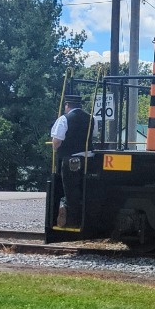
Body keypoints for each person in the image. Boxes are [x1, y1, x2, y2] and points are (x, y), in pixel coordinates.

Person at [50, 95, 94, 227]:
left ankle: (72, 221)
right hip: (89, 158)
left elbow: (57, 141)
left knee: (71, 190)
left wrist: (56, 149)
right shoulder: (92, 118)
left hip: (71, 160)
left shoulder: (64, 119)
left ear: (67, 105)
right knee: (85, 189)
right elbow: (93, 136)